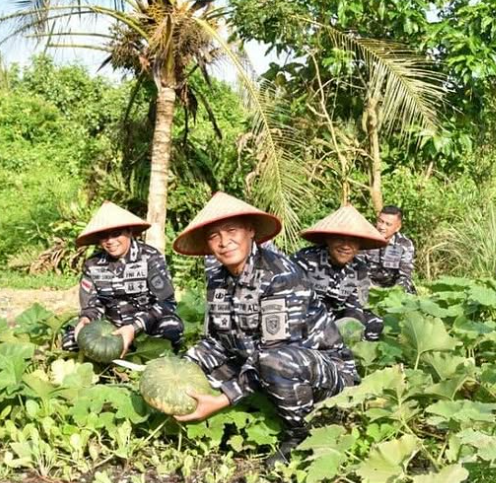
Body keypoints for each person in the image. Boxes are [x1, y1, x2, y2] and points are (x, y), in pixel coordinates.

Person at [171, 192, 359, 467]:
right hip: (258, 362)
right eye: (214, 236)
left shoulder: (280, 275)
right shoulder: (217, 279)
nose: (224, 242)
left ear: (250, 232)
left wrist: (224, 398)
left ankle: (300, 436)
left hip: (324, 372)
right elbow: (217, 342)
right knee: (196, 367)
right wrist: (180, 370)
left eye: (232, 230)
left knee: (273, 362)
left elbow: (275, 352)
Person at [63, 201, 183, 354]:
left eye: (116, 234)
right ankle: (114, 359)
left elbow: (167, 302)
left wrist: (135, 327)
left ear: (129, 231)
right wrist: (86, 320)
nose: (110, 241)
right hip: (111, 329)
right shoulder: (92, 264)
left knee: (171, 328)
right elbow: (91, 306)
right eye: (103, 236)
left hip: (146, 325)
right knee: (70, 340)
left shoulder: (150, 257)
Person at [292, 204, 388, 341]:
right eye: (340, 239)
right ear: (328, 239)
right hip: (308, 318)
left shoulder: (360, 269)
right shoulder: (305, 260)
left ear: (359, 245)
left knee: (375, 323)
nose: (345, 246)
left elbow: (356, 308)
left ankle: (355, 353)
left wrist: (351, 332)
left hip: (338, 319)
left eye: (353, 241)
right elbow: (293, 303)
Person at [360, 205, 416, 294]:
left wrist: (393, 292)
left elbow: (405, 275)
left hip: (393, 288)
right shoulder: (365, 239)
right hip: (367, 287)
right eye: (380, 221)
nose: (382, 227)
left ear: (397, 227)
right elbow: (357, 268)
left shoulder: (404, 244)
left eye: (388, 224)